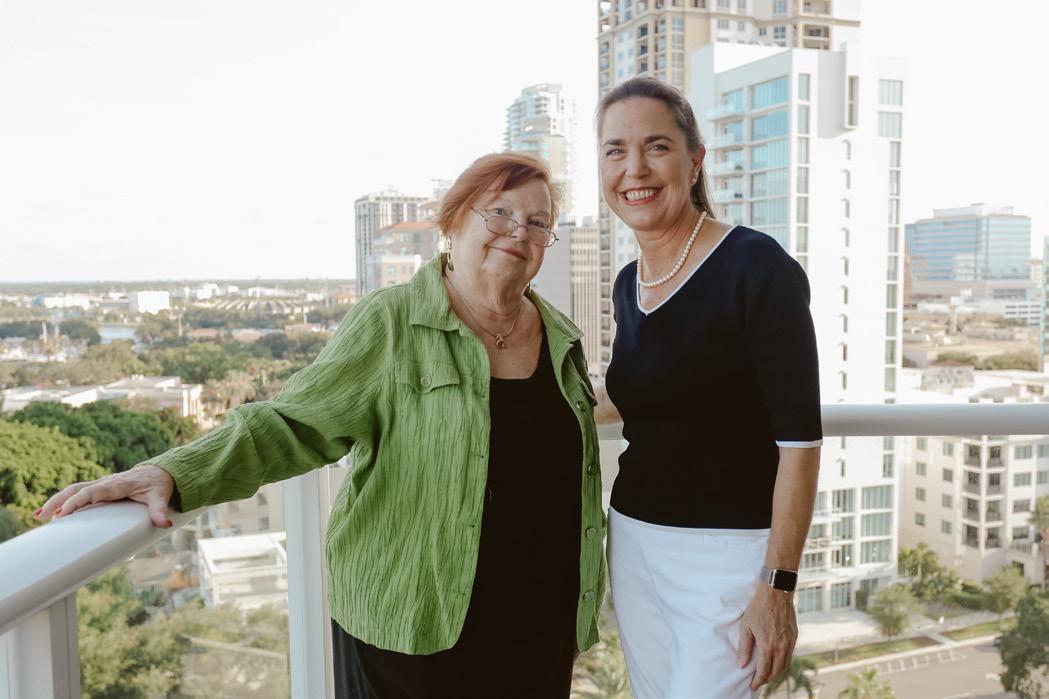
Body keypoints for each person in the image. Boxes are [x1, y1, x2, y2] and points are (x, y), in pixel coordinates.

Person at [36, 152, 606, 699]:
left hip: (539, 625)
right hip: (414, 624)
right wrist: (172, 472)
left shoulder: (559, 335)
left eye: (538, 223)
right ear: (452, 224)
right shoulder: (392, 322)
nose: (519, 232)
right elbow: (291, 423)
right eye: (499, 212)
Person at [593, 77, 823, 698]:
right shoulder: (628, 283)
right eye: (615, 150)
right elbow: (638, 394)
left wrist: (777, 585)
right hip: (634, 542)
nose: (634, 169)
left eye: (656, 146)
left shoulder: (759, 268)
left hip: (729, 560)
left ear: (695, 162)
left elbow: (800, 445)